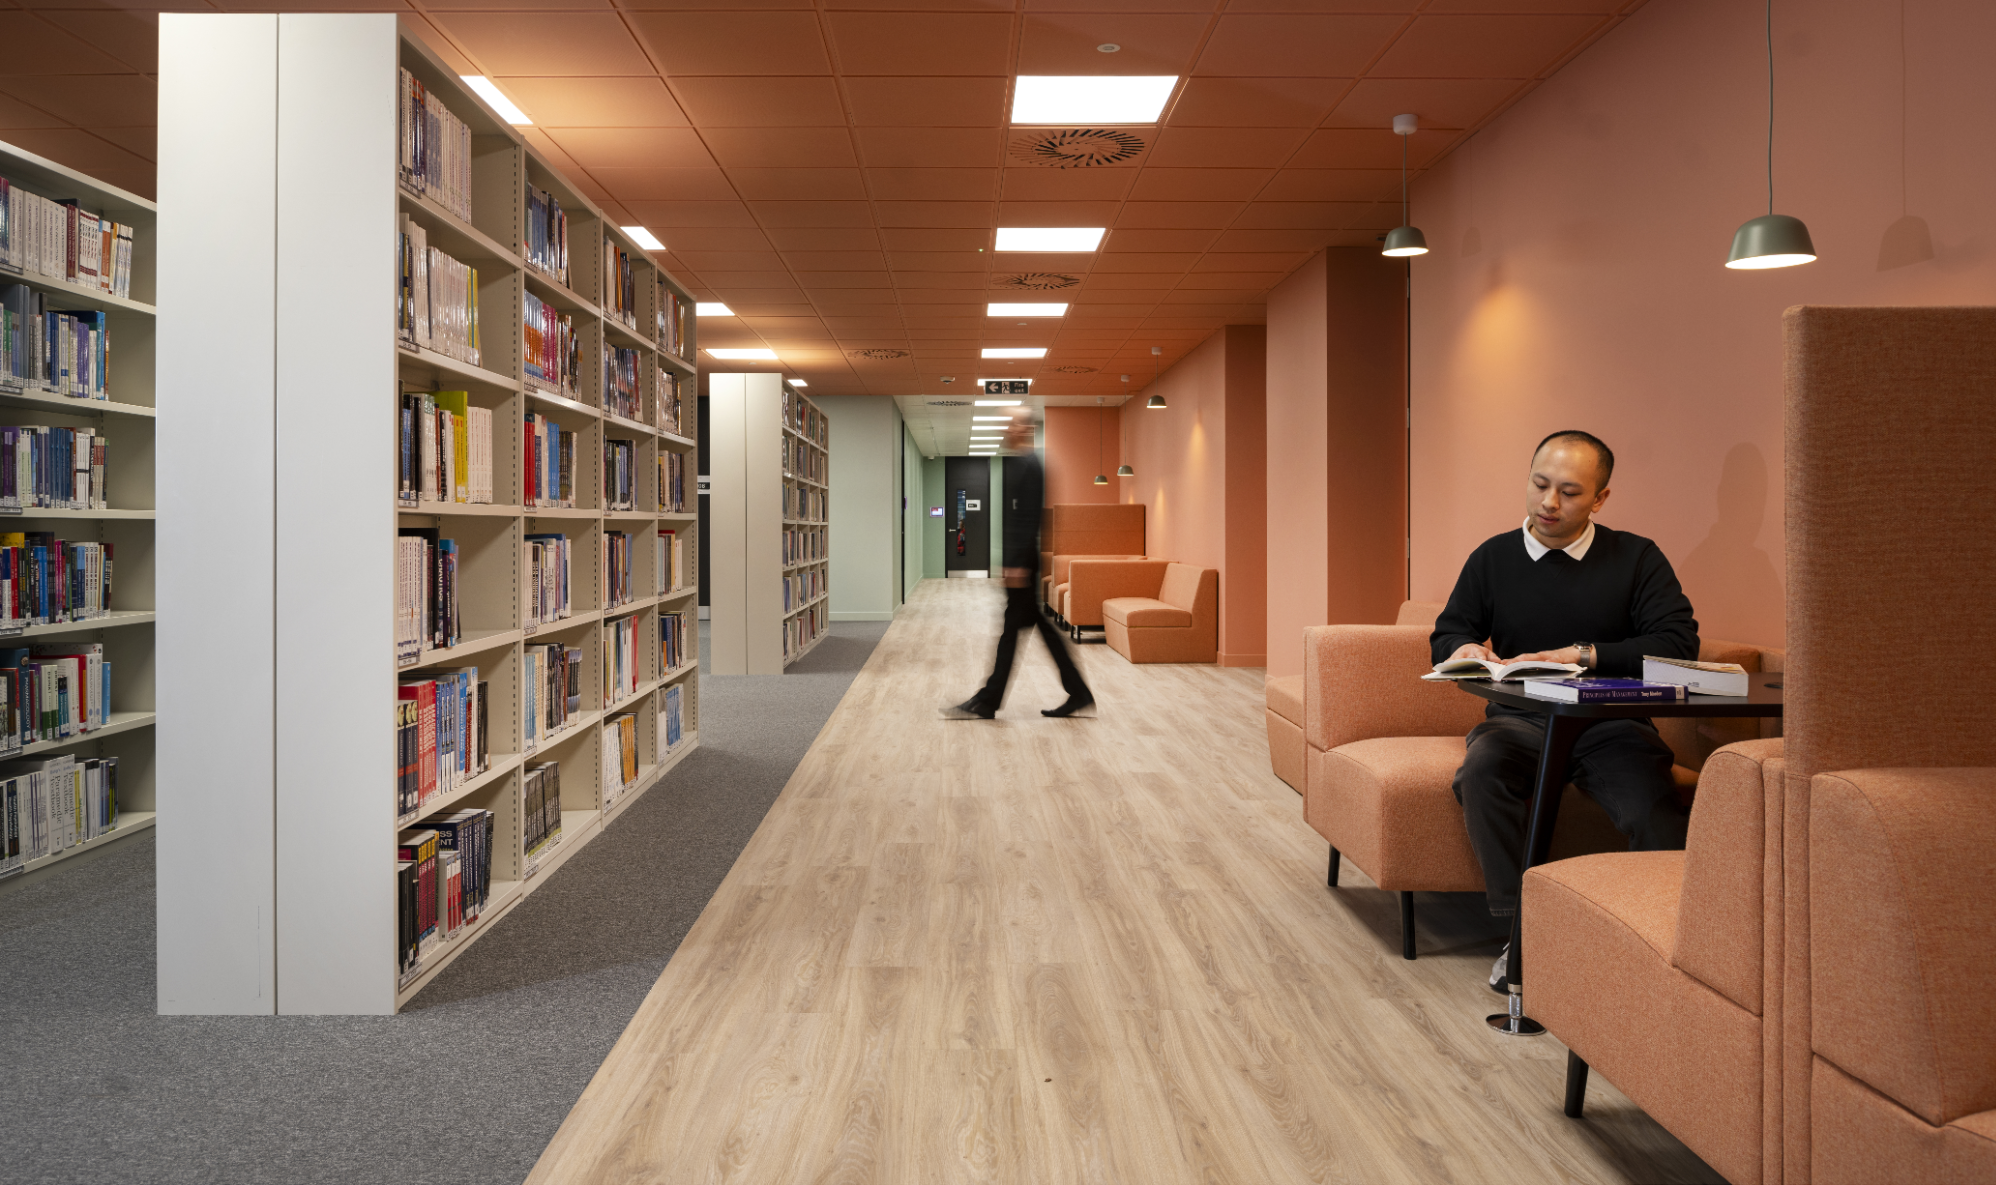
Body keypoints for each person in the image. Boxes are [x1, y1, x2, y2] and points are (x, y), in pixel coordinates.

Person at [1429, 429, 1698, 992]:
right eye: (1540, 484)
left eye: (1570, 492)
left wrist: (1585, 654)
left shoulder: (1636, 557)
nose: (1549, 503)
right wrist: (1464, 648)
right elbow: (1451, 627)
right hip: (1518, 722)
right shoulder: (1493, 557)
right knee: (1481, 773)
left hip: (1611, 724)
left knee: (1654, 810)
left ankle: (1660, 951)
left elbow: (1678, 644)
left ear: (1600, 498)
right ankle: (1521, 936)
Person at [944, 420, 1094, 720]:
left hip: (1023, 564)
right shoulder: (1024, 463)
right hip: (1022, 562)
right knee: (1029, 630)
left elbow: (1028, 518)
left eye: (1011, 424)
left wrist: (1017, 563)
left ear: (1024, 428)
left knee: (1013, 632)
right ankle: (1076, 692)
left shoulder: (1030, 465)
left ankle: (989, 699)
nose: (1006, 429)